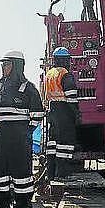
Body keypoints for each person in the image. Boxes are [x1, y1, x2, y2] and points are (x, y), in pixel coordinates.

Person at [0, 50, 44, 208]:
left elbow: (38, 113)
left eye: (7, 64)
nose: (4, 67)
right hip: (0, 138)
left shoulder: (28, 88)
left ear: (17, 66)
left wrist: (27, 132)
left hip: (20, 139)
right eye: (3, 65)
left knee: (22, 175)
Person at [43, 46, 80, 180]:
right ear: (65, 60)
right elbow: (71, 97)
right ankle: (63, 174)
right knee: (65, 143)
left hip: (52, 111)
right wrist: (76, 113)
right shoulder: (65, 74)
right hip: (64, 111)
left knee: (53, 143)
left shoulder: (49, 74)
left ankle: (51, 174)